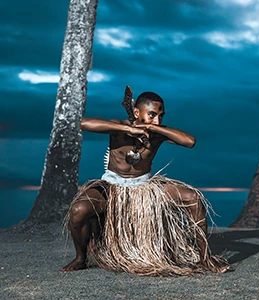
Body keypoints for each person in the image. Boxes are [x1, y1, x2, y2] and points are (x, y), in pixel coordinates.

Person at [61, 91, 230, 276]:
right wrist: (130, 130)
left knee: (192, 198)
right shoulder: (119, 126)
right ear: (136, 113)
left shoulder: (157, 133)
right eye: (152, 115)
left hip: (145, 186)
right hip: (112, 185)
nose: (157, 120)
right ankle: (80, 259)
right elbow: (84, 123)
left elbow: (190, 141)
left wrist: (156, 129)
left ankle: (205, 257)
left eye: (161, 116)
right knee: (78, 210)